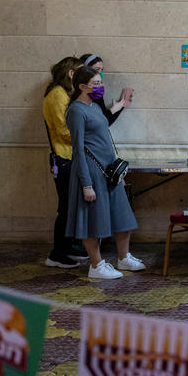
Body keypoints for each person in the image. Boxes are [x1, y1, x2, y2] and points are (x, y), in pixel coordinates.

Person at [65, 67, 144, 280]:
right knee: (92, 220)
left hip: (110, 172)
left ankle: (123, 257)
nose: (100, 87)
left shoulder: (95, 108)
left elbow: (105, 140)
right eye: (96, 84)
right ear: (82, 86)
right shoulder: (76, 110)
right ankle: (96, 264)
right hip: (91, 170)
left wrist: (118, 171)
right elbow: (78, 148)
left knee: (123, 216)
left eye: (100, 83)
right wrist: (86, 183)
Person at [43, 56, 89, 269]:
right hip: (63, 158)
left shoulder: (63, 94)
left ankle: (68, 247)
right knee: (65, 208)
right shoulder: (57, 95)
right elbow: (63, 129)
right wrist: (86, 135)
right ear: (71, 73)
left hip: (69, 157)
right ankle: (57, 253)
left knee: (70, 207)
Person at [78, 54, 133, 126]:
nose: (100, 73)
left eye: (102, 70)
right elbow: (96, 125)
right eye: (97, 69)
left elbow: (105, 122)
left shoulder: (97, 92)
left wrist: (121, 105)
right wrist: (113, 109)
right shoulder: (79, 99)